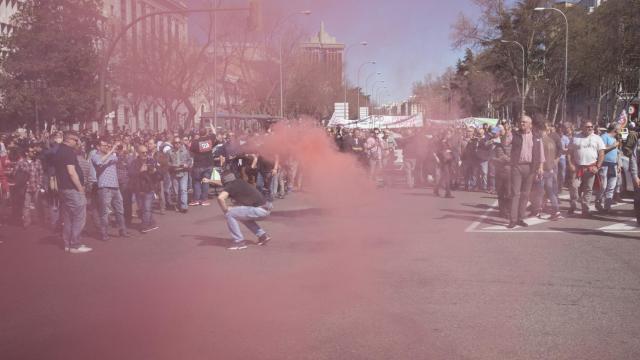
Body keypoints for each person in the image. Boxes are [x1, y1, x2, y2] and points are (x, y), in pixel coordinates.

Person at [203, 171, 272, 250]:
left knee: (230, 214)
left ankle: (238, 242)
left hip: (260, 210)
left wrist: (225, 210)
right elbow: (222, 184)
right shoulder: (239, 182)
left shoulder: (230, 186)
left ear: (225, 181)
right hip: (266, 208)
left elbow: (220, 198)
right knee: (242, 216)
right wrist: (209, 180)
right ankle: (263, 236)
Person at [53, 131, 91, 253]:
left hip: (63, 188)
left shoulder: (59, 150)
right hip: (72, 189)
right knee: (79, 216)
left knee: (68, 217)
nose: (77, 143)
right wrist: (80, 188)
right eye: (76, 140)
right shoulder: (68, 152)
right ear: (69, 139)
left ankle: (68, 243)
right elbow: (71, 172)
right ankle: (75, 244)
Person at [508, 115, 544, 228]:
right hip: (517, 167)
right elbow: (505, 142)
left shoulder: (536, 137)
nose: (522, 124)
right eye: (521, 122)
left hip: (531, 168)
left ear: (530, 124)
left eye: (524, 122)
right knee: (515, 194)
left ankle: (520, 218)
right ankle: (513, 220)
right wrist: (506, 133)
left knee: (525, 194)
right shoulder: (514, 134)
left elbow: (541, 153)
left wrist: (541, 167)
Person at [91, 139, 129, 240]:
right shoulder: (95, 156)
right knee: (104, 212)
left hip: (115, 187)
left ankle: (122, 230)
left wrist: (121, 148)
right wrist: (112, 150)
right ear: (98, 147)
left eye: (107, 146)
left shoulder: (112, 156)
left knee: (120, 210)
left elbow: (121, 158)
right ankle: (104, 233)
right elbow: (99, 162)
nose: (106, 147)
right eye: (104, 145)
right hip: (104, 187)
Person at [567, 121, 606, 217]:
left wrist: (597, 166)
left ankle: (585, 209)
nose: (590, 128)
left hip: (591, 167)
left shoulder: (597, 138)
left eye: (591, 127)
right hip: (577, 167)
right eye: (587, 127)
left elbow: (601, 153)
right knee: (574, 186)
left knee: (588, 189)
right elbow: (569, 152)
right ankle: (573, 203)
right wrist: (570, 164)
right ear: (582, 127)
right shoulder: (575, 138)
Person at [129, 145, 161, 233]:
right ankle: (152, 222)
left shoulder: (151, 161)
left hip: (148, 189)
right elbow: (130, 174)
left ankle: (145, 225)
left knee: (147, 208)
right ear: (138, 153)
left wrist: (155, 171)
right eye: (143, 152)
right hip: (138, 189)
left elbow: (159, 175)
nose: (145, 154)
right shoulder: (134, 162)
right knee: (142, 208)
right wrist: (140, 171)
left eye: (146, 152)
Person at [13, 146, 44, 227]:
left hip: (35, 186)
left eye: (34, 152)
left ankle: (38, 222)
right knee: (26, 205)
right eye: (32, 151)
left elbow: (41, 173)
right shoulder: (21, 162)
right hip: (25, 188)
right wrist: (21, 180)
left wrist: (39, 184)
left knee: (38, 205)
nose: (34, 153)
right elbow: (15, 173)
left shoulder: (37, 161)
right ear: (26, 153)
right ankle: (26, 222)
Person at [595, 123, 621, 213]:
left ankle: (607, 206)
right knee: (603, 185)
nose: (620, 130)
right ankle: (598, 202)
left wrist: (619, 164)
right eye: (619, 128)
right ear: (615, 129)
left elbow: (618, 153)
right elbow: (601, 149)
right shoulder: (604, 136)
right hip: (604, 164)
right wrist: (613, 146)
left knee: (611, 186)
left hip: (613, 164)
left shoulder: (615, 139)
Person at [189, 126, 217, 206]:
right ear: (206, 133)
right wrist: (211, 125)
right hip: (209, 165)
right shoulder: (210, 139)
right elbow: (214, 132)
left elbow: (191, 152)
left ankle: (196, 200)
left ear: (199, 133)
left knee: (197, 182)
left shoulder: (195, 142)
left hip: (198, 165)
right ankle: (204, 200)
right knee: (205, 182)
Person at [169, 135, 192, 213]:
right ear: (173, 143)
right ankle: (178, 205)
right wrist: (173, 166)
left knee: (183, 189)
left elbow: (189, 160)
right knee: (176, 191)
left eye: (179, 142)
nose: (177, 144)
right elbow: (167, 163)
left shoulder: (185, 151)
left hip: (184, 172)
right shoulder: (169, 152)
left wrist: (187, 164)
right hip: (174, 173)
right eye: (176, 143)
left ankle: (184, 206)